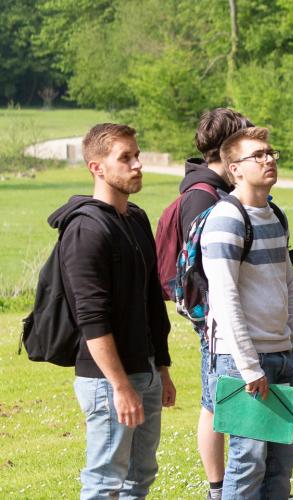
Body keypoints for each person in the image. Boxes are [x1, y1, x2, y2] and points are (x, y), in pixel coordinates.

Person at [57, 123, 173, 499]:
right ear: (97, 167)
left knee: (139, 477)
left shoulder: (136, 218)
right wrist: (120, 387)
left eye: (137, 155)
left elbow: (152, 300)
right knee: (105, 482)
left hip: (146, 370)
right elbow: (92, 319)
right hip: (109, 381)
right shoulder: (86, 230)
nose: (137, 164)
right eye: (126, 158)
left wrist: (162, 369)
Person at [201, 126, 293, 498]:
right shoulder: (225, 219)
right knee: (247, 463)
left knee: (281, 464)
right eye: (257, 155)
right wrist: (249, 366)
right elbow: (224, 299)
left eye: (270, 152)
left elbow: (287, 282)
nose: (268, 160)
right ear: (235, 169)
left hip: (283, 356)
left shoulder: (275, 215)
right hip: (242, 361)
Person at [179, 107, 253, 499]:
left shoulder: (209, 188)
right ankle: (219, 487)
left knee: (218, 399)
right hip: (215, 318)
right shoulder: (203, 195)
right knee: (214, 403)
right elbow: (203, 269)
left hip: (225, 316)